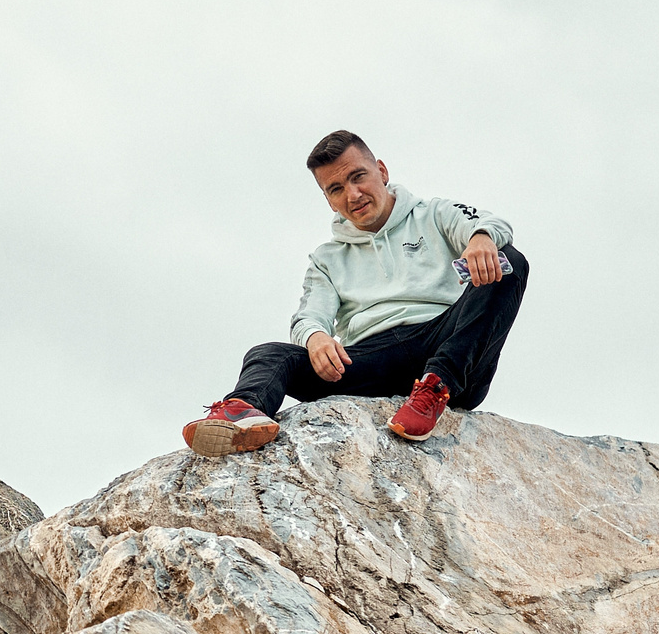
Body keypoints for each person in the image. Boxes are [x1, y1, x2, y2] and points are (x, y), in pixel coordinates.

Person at [184, 130, 528, 454]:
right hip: (372, 360)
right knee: (270, 354)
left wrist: (481, 238)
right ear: (329, 201)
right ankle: (241, 415)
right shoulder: (327, 259)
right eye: (336, 189)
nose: (353, 195)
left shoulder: (433, 214)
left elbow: (489, 223)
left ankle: (434, 388)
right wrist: (316, 338)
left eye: (358, 176)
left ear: (382, 171)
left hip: (449, 344)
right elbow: (308, 316)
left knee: (509, 262)